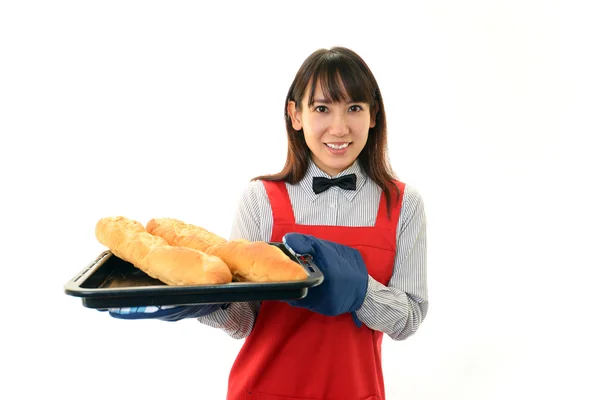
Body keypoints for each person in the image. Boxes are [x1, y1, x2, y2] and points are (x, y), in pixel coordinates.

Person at [109, 46, 428, 400]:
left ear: (373, 115)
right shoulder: (260, 198)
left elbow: (409, 320)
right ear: (295, 115)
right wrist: (206, 303)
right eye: (322, 108)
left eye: (354, 108)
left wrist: (360, 291)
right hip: (262, 391)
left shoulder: (402, 205)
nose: (339, 127)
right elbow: (245, 321)